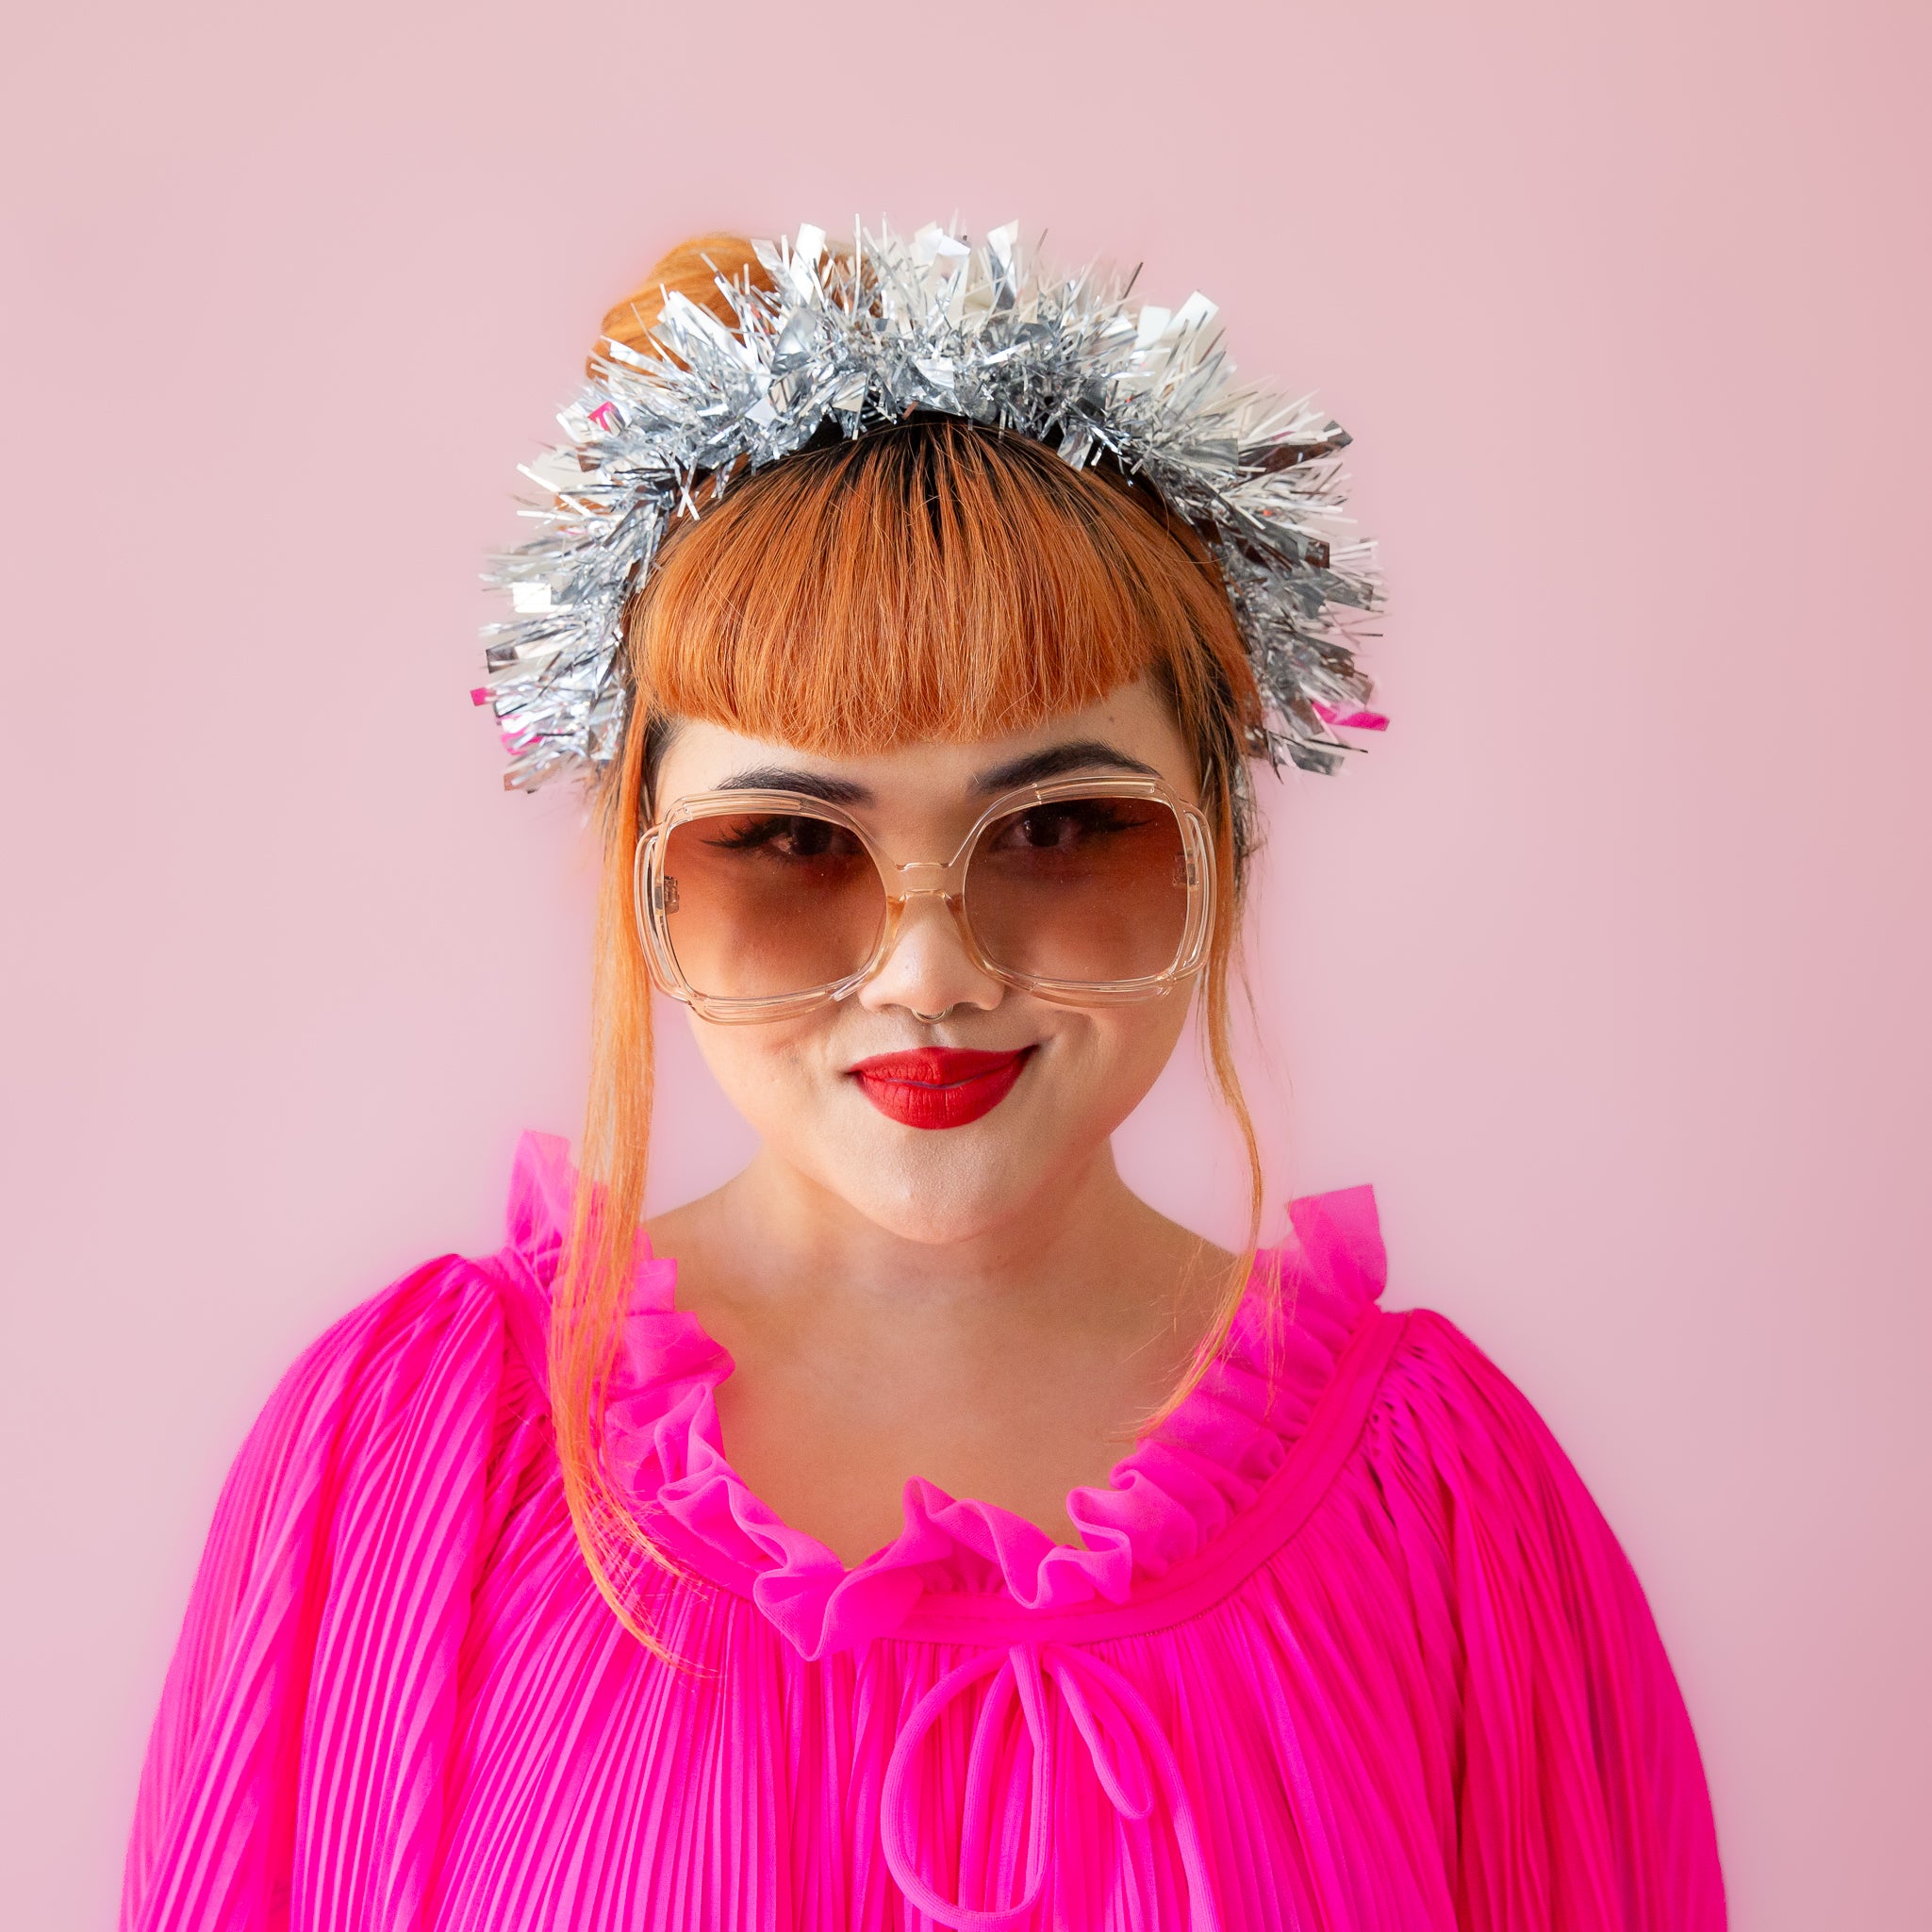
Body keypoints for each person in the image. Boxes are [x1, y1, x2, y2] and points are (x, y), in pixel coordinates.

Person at [121, 224, 1725, 1931]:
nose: (928, 972)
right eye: (792, 845)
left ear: (1221, 848)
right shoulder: (417, 1460)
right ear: (644, 878)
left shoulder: (1445, 1506)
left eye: (1054, 830)